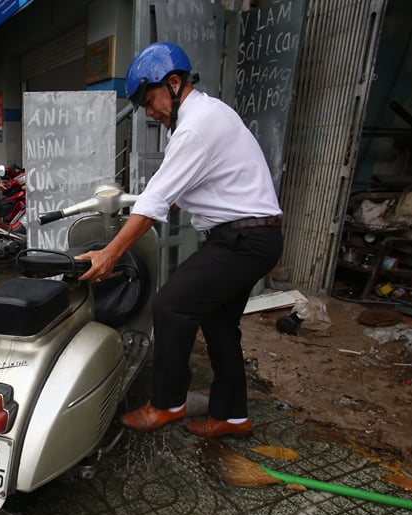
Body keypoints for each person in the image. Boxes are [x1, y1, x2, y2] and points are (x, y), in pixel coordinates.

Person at [76, 42, 284, 438]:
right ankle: (232, 416)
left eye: (150, 101)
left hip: (242, 240)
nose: (150, 112)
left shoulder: (195, 127)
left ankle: (167, 404)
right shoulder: (206, 116)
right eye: (142, 106)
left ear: (173, 82)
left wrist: (110, 252)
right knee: (220, 324)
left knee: (171, 306)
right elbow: (178, 192)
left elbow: (156, 199)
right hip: (253, 236)